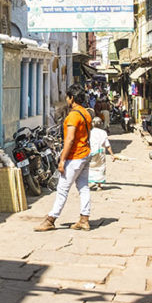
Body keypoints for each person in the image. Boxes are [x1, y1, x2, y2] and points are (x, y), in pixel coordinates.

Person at [36, 84, 93, 232]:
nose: (66, 100)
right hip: (85, 153)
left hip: (75, 156)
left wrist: (62, 160)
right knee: (83, 187)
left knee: (62, 188)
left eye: (67, 97)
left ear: (72, 98)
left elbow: (70, 139)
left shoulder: (73, 116)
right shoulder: (86, 113)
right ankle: (84, 219)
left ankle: (51, 219)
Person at [88, 117, 116, 190]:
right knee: (101, 167)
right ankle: (99, 185)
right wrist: (112, 154)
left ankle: (92, 181)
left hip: (92, 152)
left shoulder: (90, 132)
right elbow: (107, 145)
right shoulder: (103, 132)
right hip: (101, 152)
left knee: (91, 167)